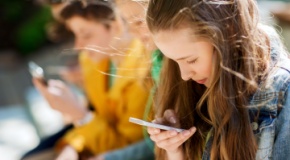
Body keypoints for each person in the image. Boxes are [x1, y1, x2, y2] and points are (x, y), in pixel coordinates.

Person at [145, 0, 290, 160]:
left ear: (228, 34)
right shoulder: (191, 87)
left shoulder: (283, 93)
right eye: (174, 61)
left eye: (191, 60)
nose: (184, 75)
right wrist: (175, 152)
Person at [23, 0, 151, 160]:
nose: (78, 46)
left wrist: (78, 114)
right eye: (75, 35)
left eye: (86, 35)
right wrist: (72, 147)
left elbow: (126, 148)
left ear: (115, 25)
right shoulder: (91, 62)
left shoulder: (143, 76)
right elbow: (98, 115)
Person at [88, 0, 164, 159]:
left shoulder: (144, 67)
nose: (131, 31)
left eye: (138, 22)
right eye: (127, 23)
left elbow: (129, 140)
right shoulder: (155, 60)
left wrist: (80, 117)